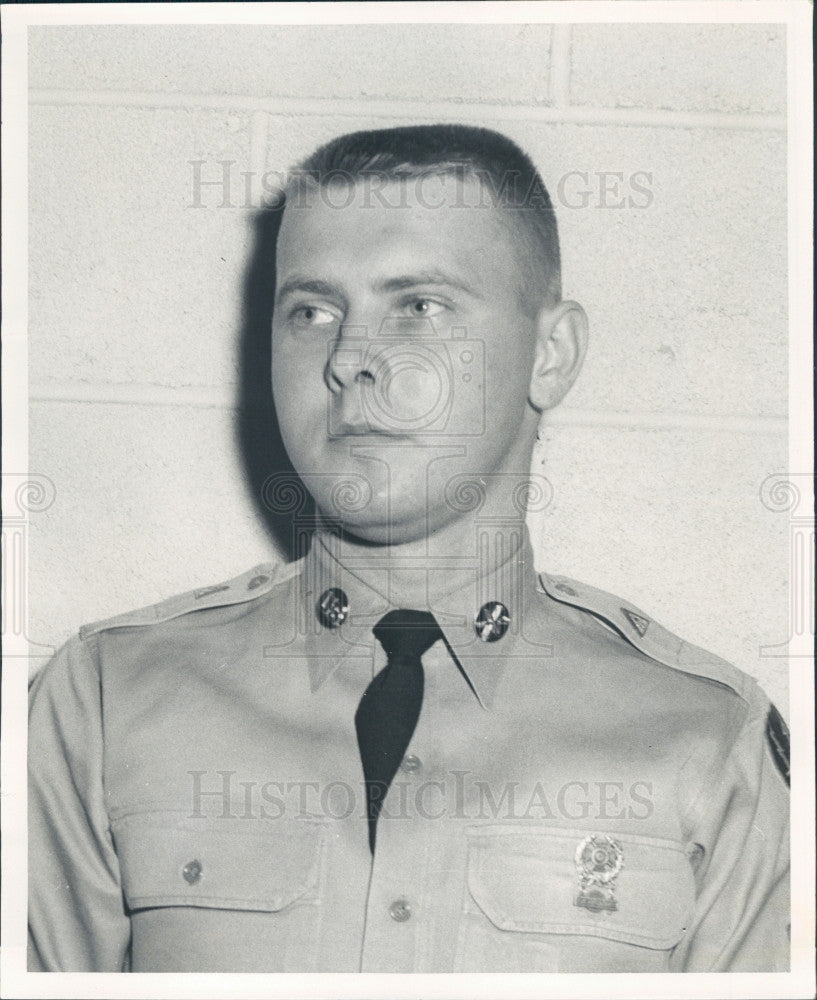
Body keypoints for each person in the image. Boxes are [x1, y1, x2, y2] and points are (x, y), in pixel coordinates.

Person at [28, 124, 789, 973]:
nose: (350, 358)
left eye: (419, 306)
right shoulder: (104, 703)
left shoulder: (706, 740)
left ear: (551, 354)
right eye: (311, 312)